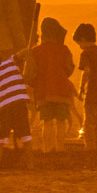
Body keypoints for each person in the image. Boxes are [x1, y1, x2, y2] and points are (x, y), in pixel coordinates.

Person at [26, 18, 75, 153]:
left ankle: (47, 150)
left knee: (46, 122)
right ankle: (60, 149)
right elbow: (69, 69)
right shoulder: (64, 49)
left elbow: (30, 74)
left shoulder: (35, 51)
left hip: (43, 92)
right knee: (60, 122)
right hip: (61, 91)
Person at [0, 46, 31, 171]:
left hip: (5, 108)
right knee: (26, 135)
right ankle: (31, 165)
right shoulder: (10, 62)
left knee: (1, 137)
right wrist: (29, 50)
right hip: (20, 103)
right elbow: (23, 53)